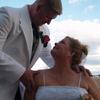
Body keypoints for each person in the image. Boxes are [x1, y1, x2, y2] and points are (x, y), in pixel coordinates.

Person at [0, 0, 62, 100]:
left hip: (20, 91)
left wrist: (72, 67)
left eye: (52, 19)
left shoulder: (45, 30)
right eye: (48, 17)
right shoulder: (8, 15)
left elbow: (48, 55)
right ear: (38, 8)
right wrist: (21, 73)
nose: (49, 23)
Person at [24, 36, 100, 100]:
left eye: (62, 42)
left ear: (72, 53)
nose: (56, 43)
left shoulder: (84, 77)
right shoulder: (37, 76)